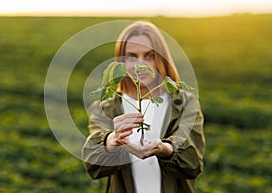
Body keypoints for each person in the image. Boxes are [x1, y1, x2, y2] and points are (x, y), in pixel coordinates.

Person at [82, 21, 205, 193]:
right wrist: (112, 139)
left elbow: (193, 164)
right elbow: (93, 165)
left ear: (161, 58)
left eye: (149, 55)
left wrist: (165, 149)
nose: (141, 65)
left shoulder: (185, 104)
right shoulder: (106, 108)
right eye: (131, 56)